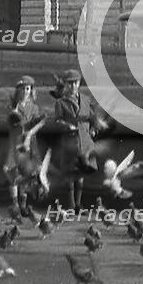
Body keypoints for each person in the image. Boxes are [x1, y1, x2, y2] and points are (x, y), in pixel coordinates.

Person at [53, 69, 96, 213]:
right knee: (71, 174)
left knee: (81, 174)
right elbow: (57, 120)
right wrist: (66, 125)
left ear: (79, 84)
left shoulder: (86, 99)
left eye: (75, 83)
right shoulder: (61, 102)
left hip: (84, 141)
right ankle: (71, 204)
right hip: (70, 141)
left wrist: (93, 130)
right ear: (65, 85)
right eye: (69, 83)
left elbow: (92, 118)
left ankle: (78, 204)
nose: (72, 86)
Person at [3, 75, 43, 213]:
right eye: (23, 89)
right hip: (16, 141)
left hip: (29, 142)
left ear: (31, 90)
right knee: (14, 171)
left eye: (28, 88)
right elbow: (9, 123)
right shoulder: (13, 105)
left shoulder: (34, 108)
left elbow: (38, 123)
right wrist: (13, 115)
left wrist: (30, 133)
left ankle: (23, 203)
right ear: (18, 90)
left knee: (27, 172)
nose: (25, 91)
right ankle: (15, 203)